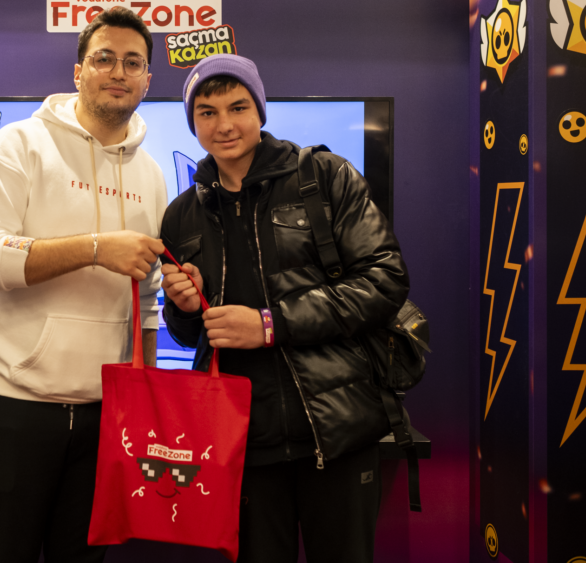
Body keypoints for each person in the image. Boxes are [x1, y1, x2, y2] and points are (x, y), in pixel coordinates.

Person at [159, 54, 409, 563]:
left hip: (337, 434)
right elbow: (188, 334)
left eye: (238, 107)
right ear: (193, 123)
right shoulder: (182, 215)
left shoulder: (324, 176)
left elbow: (385, 281)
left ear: (260, 110)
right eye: (207, 112)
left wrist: (270, 325)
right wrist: (183, 308)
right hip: (242, 444)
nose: (224, 125)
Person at [0, 6, 167, 563]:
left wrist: (142, 396)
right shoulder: (18, 145)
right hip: (14, 408)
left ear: (147, 80)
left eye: (133, 62)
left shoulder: (150, 173)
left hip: (106, 416)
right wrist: (95, 247)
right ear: (78, 72)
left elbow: (147, 299)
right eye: (104, 59)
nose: (118, 72)